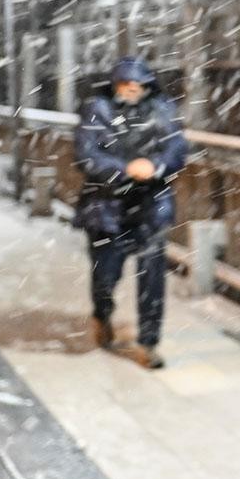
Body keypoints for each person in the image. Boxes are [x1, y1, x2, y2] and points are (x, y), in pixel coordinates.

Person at [73, 56, 188, 369]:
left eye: (138, 84)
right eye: (125, 83)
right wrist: (125, 170)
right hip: (106, 206)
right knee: (105, 274)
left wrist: (157, 167)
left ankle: (149, 341)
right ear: (114, 85)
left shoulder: (162, 109)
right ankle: (102, 312)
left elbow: (177, 148)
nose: (132, 89)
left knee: (152, 276)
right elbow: (86, 155)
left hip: (151, 204)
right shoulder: (97, 109)